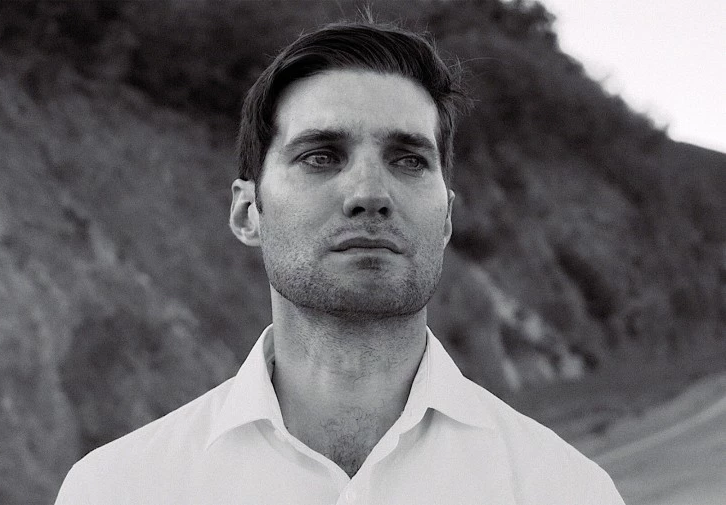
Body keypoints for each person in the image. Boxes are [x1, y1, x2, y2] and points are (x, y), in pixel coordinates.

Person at [55, 21, 625, 504]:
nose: (369, 193)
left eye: (408, 160)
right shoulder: (117, 490)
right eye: (321, 156)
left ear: (447, 218)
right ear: (249, 212)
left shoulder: (567, 490)